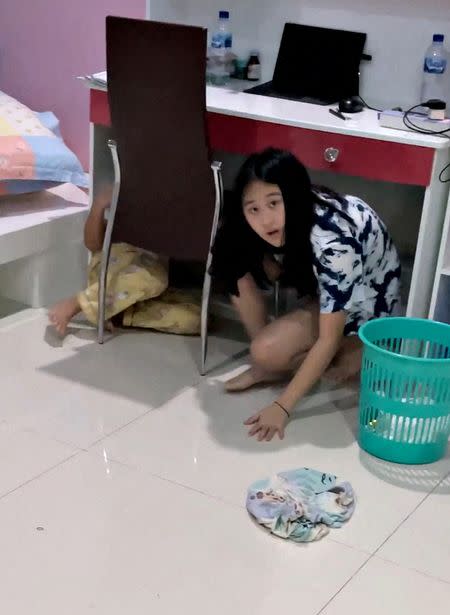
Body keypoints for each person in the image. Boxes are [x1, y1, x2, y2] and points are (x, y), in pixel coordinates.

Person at [211, 148, 401, 442]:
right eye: (254, 209)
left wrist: (282, 407)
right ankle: (271, 366)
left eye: (274, 203)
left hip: (365, 301)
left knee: (304, 351)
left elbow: (327, 338)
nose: (265, 219)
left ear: (293, 195)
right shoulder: (269, 220)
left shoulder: (332, 244)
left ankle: (357, 349)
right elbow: (232, 254)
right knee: (233, 249)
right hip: (317, 279)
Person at [48, 185, 201, 337]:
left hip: (142, 288)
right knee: (154, 277)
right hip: (114, 268)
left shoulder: (172, 194)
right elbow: (92, 244)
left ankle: (117, 313)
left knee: (196, 319)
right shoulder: (127, 185)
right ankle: (79, 303)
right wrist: (99, 205)